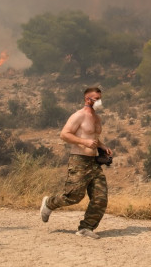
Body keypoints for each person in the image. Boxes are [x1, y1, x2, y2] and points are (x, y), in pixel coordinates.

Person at [39, 87, 112, 239]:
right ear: (88, 99)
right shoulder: (78, 116)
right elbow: (64, 134)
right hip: (79, 160)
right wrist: (84, 142)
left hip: (94, 163)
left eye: (100, 98)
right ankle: (49, 203)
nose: (99, 101)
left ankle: (86, 228)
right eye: (96, 99)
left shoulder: (97, 118)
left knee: (100, 198)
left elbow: (93, 137)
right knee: (73, 196)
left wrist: (102, 146)